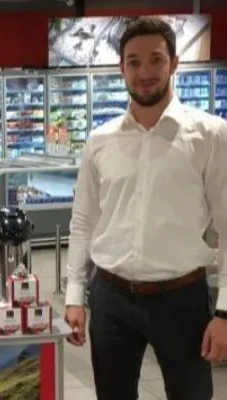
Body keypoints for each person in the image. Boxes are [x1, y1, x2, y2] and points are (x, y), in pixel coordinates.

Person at [64, 17, 227, 400]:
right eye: (133, 62)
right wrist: (74, 296)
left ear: (174, 63)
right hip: (111, 297)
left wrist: (224, 313)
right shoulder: (99, 141)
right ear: (122, 68)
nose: (145, 73)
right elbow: (83, 221)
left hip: (182, 298)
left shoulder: (210, 135)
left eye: (156, 59)